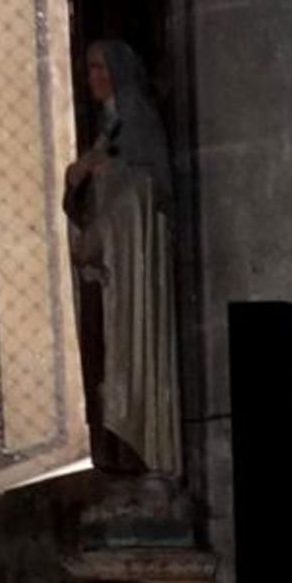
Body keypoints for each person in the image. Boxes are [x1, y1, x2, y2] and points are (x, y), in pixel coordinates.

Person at [63, 40, 181, 479]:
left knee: (132, 357)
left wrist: (102, 175)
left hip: (133, 266)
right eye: (89, 69)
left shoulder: (138, 126)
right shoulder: (107, 131)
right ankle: (115, 456)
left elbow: (146, 193)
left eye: (100, 67)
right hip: (108, 270)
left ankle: (143, 458)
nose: (92, 77)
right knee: (105, 362)